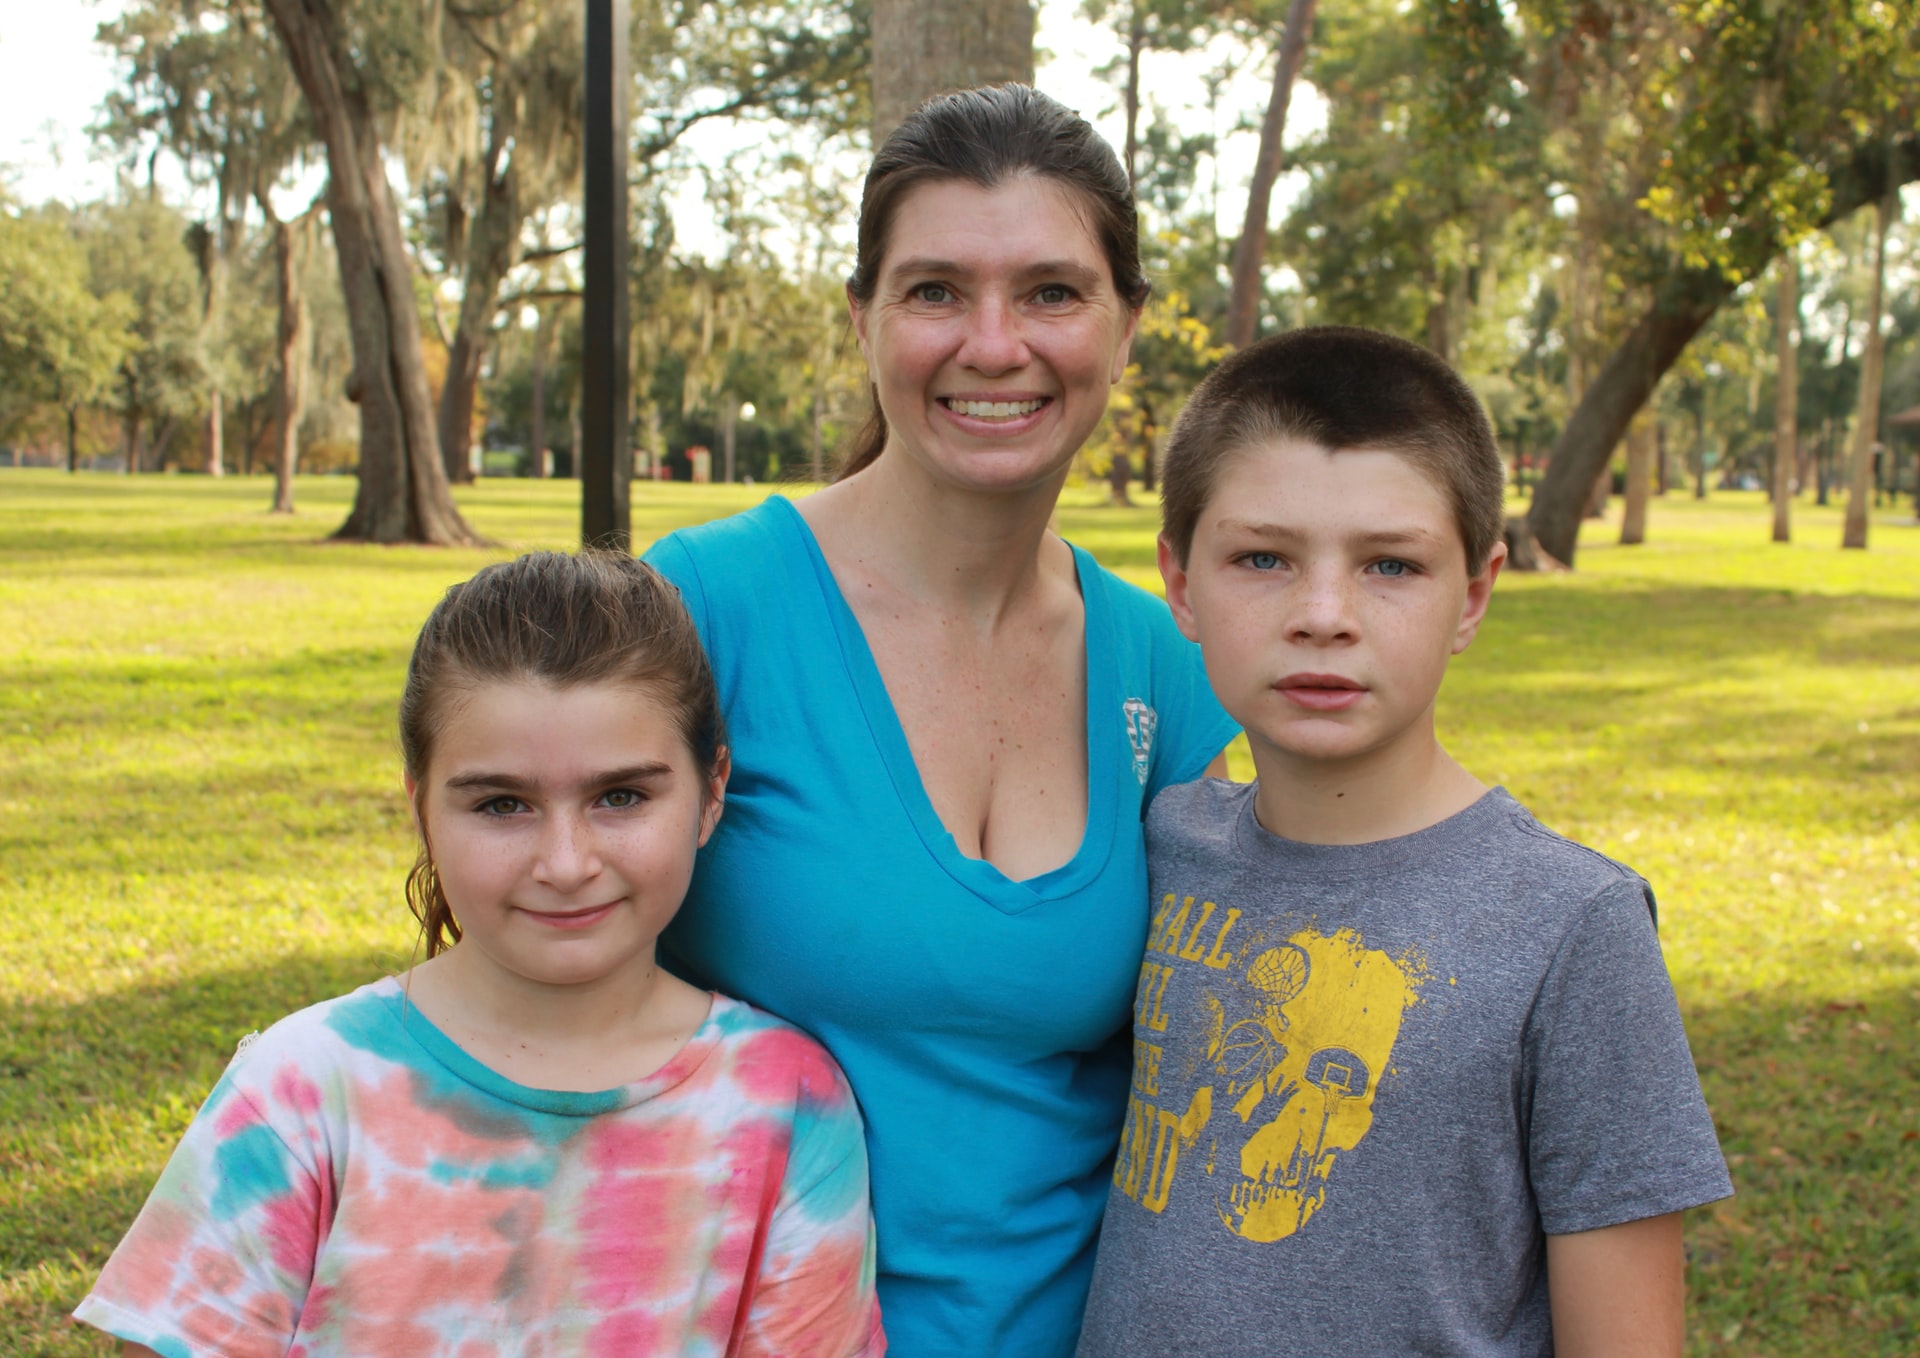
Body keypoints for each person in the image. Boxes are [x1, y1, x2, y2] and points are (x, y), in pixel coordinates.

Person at [644, 86, 1239, 1356]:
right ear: (862, 319)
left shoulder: (1167, 666)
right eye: (933, 292)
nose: (993, 342)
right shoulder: (700, 611)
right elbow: (518, 955)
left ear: (1126, 325)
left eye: (1050, 292)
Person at [1074, 327, 1733, 1356]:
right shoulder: (1162, 845)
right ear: (1181, 582)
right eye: (1262, 557)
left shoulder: (1574, 925)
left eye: (1391, 564)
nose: (1324, 614)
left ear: (1472, 592)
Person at [74, 552, 884, 1358]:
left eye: (622, 796)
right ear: (420, 806)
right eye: (503, 804)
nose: (565, 863)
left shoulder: (789, 1105)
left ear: (711, 792)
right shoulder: (299, 1095)